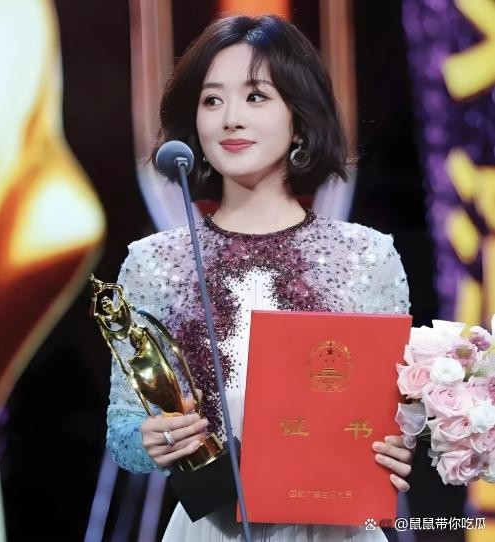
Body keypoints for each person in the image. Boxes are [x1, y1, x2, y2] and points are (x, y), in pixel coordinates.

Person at [107, 14, 413, 541]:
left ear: (299, 115)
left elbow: (395, 413)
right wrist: (153, 441)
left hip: (336, 526)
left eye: (255, 97)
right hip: (212, 527)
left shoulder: (367, 256)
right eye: (212, 100)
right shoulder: (154, 262)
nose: (231, 119)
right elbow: (123, 429)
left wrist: (399, 446)